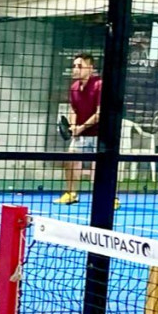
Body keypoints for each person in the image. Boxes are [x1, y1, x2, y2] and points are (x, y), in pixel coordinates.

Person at [59, 53, 101, 205]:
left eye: (80, 66)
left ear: (90, 68)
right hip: (81, 134)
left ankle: (111, 198)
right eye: (74, 66)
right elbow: (73, 110)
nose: (76, 69)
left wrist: (81, 127)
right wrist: (73, 126)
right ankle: (71, 194)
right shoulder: (74, 87)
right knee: (70, 160)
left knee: (103, 167)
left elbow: (100, 113)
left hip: (100, 134)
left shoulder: (99, 85)